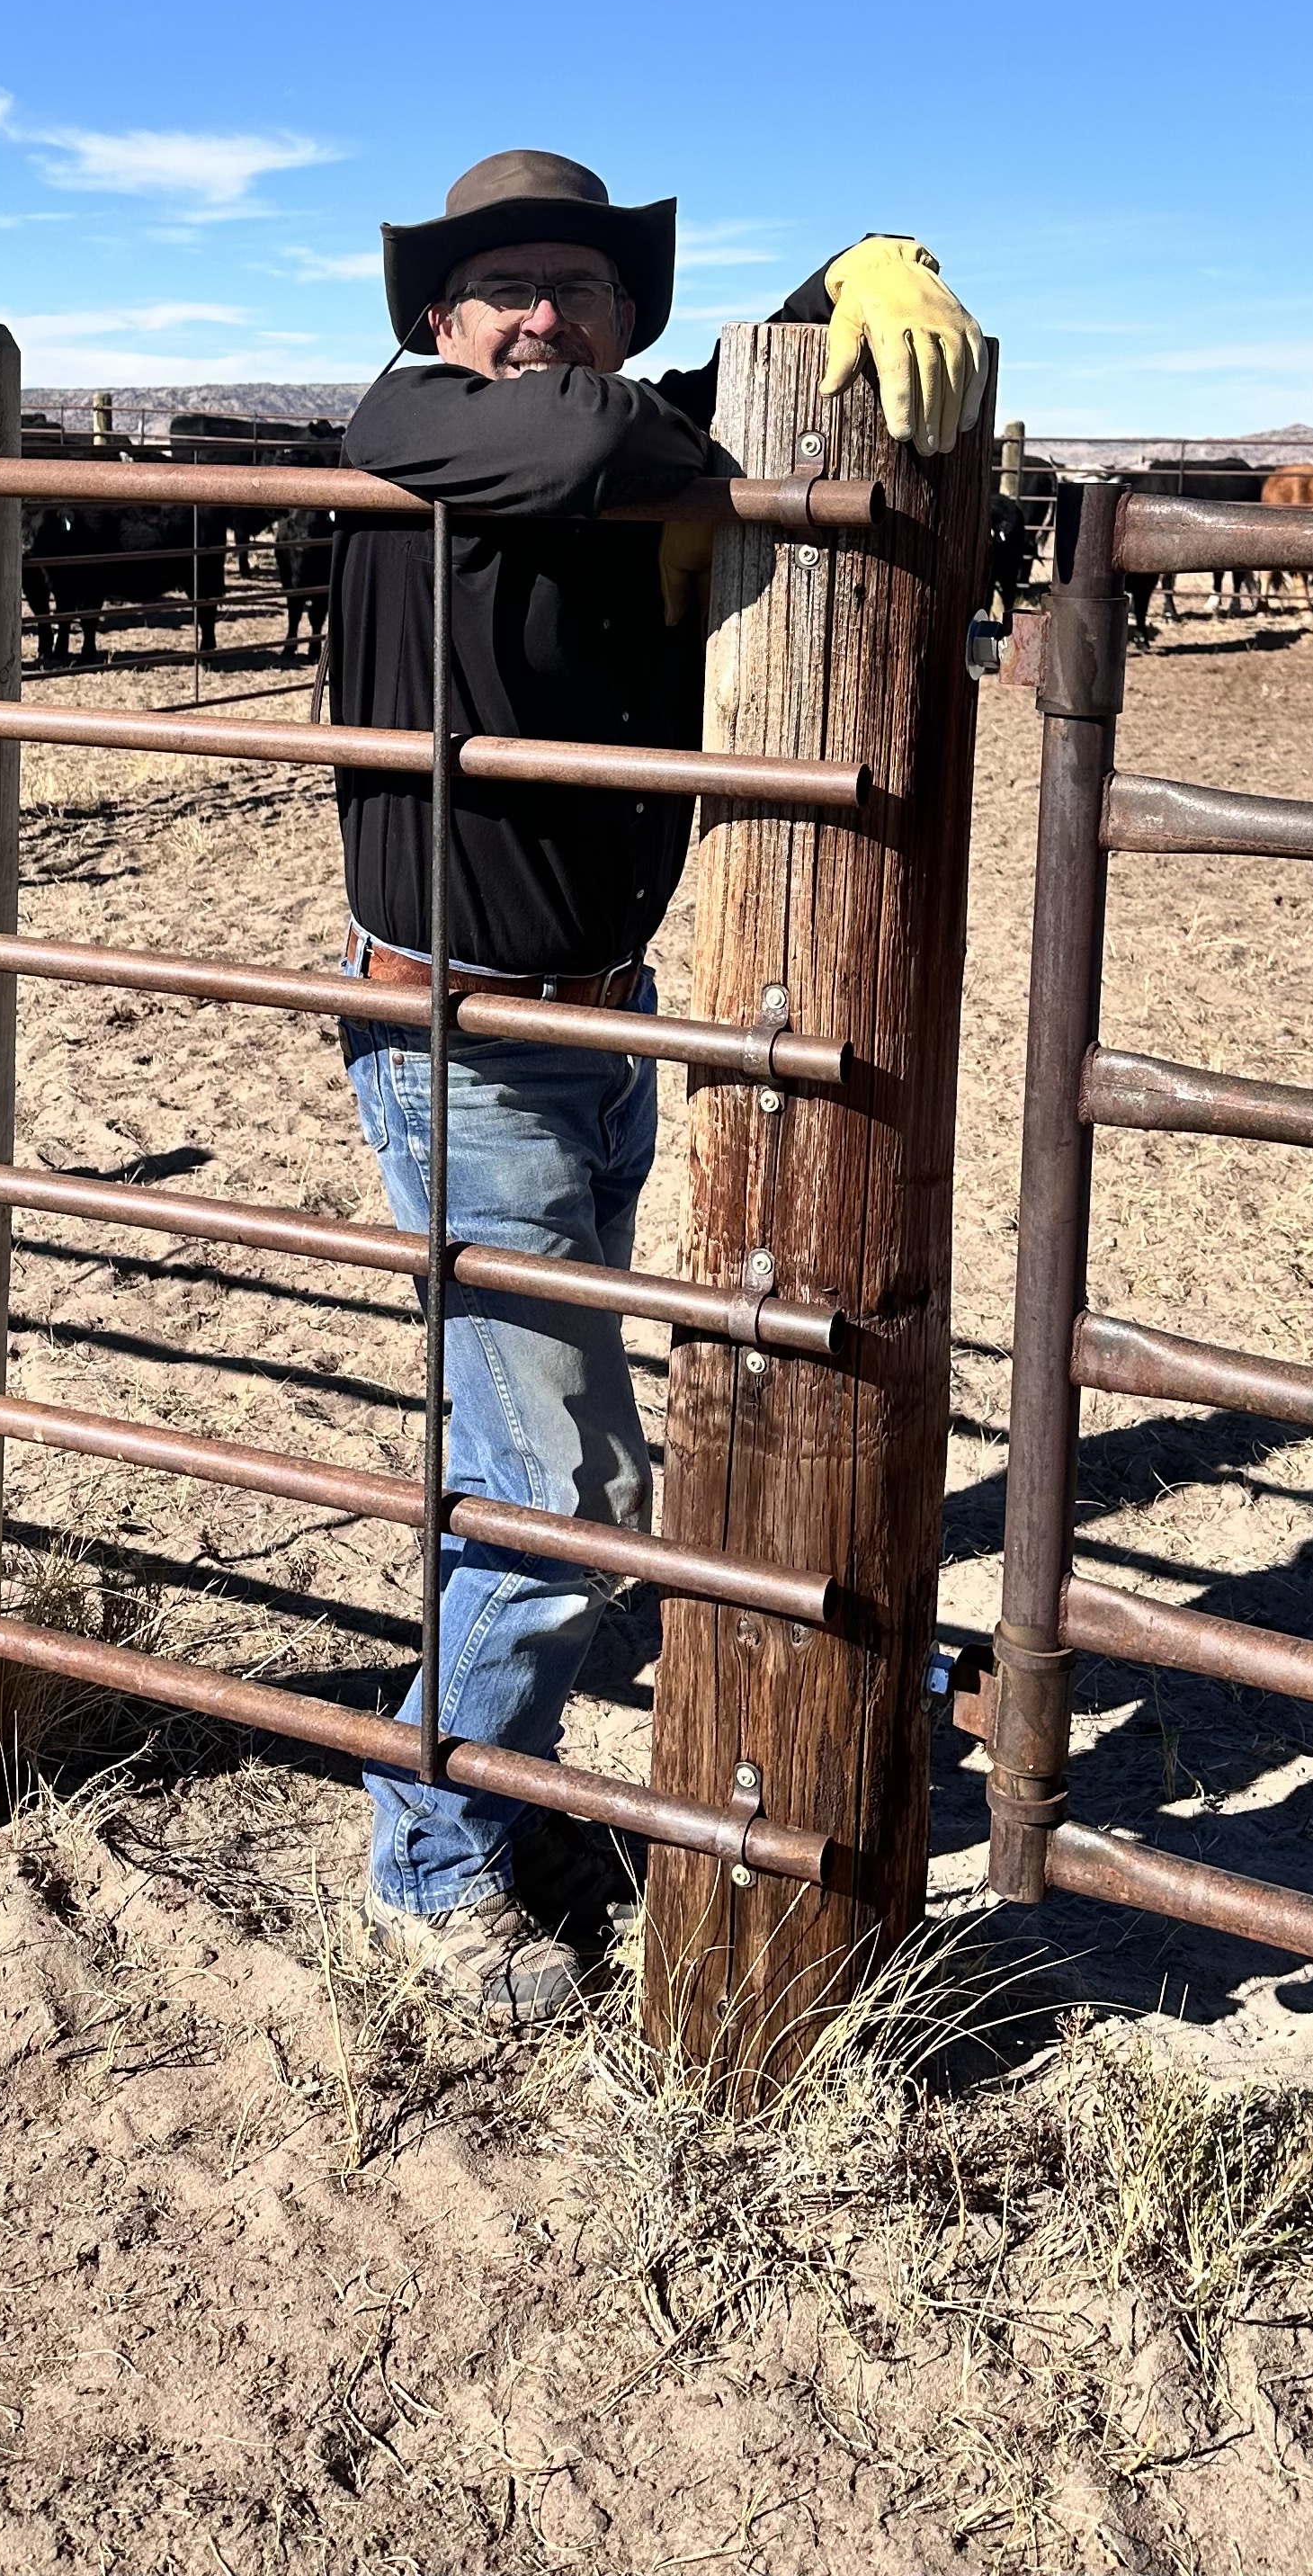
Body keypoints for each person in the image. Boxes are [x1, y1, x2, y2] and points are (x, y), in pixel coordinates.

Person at [329, 148, 987, 2018]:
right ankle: (431, 1856)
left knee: (528, 1452)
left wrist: (856, 269)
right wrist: (705, 425)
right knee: (570, 1477)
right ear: (438, 326)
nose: (548, 317)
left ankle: (490, 1789)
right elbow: (576, 453)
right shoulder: (411, 432)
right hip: (472, 1046)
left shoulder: (605, 429)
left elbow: (693, 418)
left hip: (600, 1034)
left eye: (587, 291)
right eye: (508, 291)